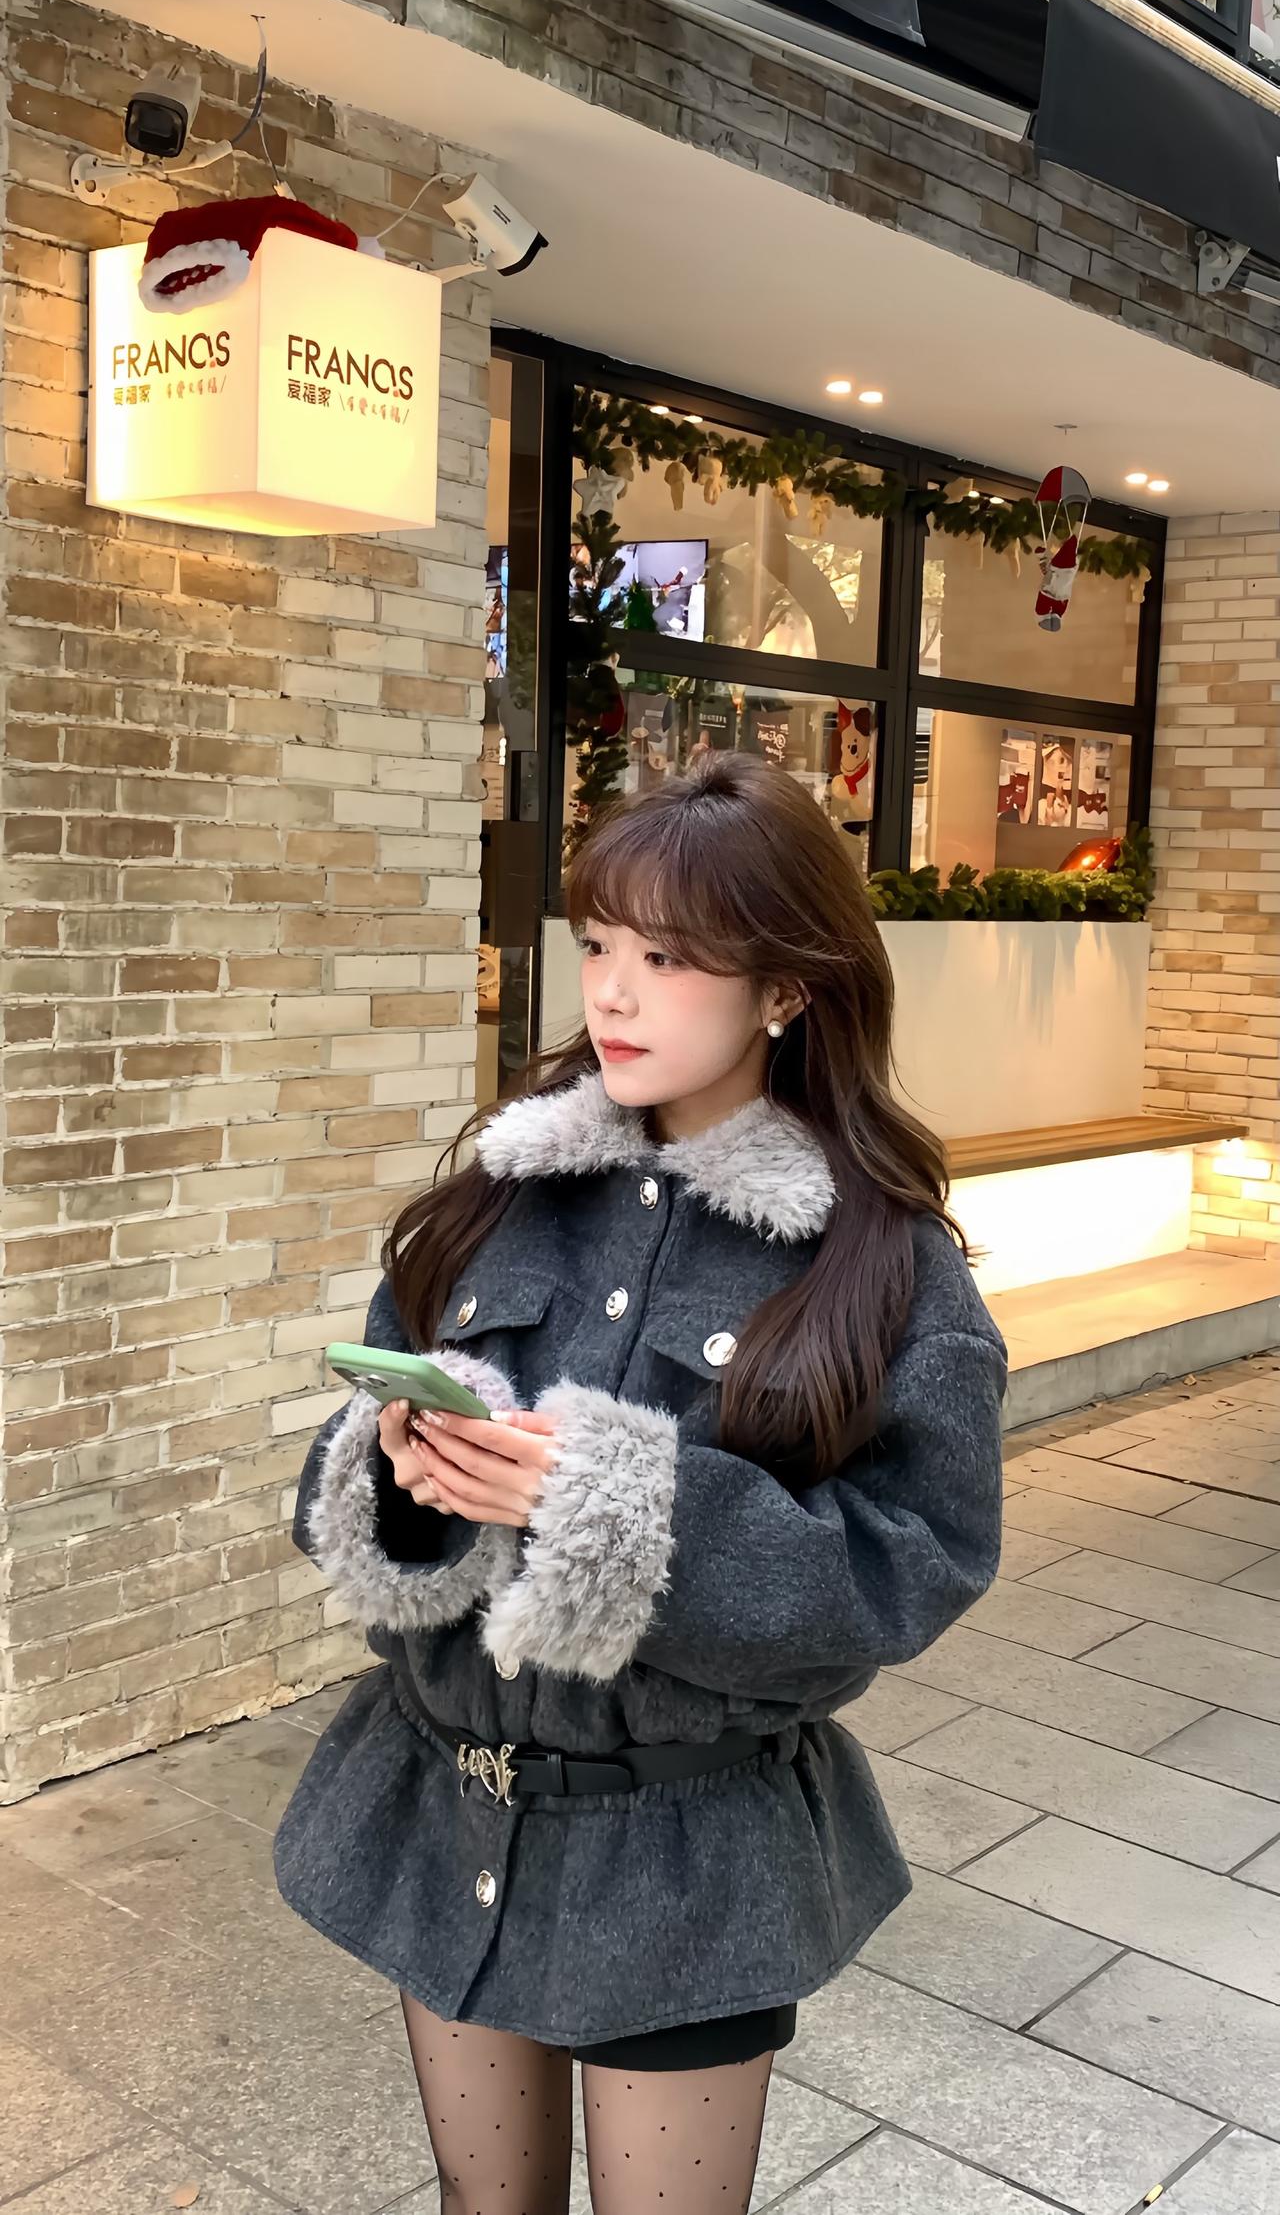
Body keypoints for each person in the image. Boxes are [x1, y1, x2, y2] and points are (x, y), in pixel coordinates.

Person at [274, 750, 1006, 2215]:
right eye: (600, 943)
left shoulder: (880, 1262)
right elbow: (342, 1477)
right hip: (452, 1799)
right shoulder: (495, 1195)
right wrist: (411, 1474)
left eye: (669, 958)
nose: (612, 993)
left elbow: (911, 1562)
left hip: (685, 1851)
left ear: (785, 984)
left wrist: (609, 1505)